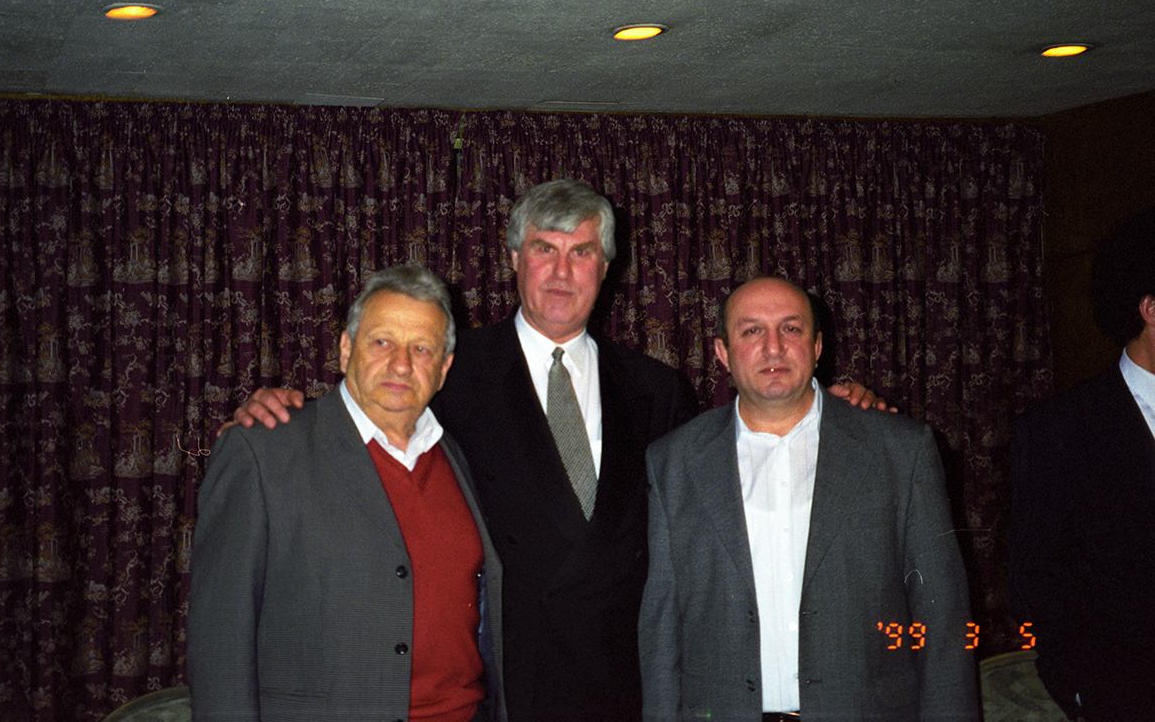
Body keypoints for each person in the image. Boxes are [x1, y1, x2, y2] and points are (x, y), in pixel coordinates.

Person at [231, 180, 886, 722]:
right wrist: (286, 408)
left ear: (607, 267)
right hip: (505, 683)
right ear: (514, 258)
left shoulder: (656, 388)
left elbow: (712, 493)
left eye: (582, 252)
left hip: (624, 683)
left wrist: (831, 410)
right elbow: (371, 410)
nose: (563, 271)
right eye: (545, 248)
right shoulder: (451, 371)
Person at [639, 277, 978, 721]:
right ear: (722, 352)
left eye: (791, 328)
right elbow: (661, 630)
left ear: (817, 346)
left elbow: (944, 621)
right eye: (752, 330)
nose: (773, 347)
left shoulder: (899, 450)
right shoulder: (674, 461)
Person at [187, 265, 505, 722]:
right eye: (382, 342)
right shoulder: (263, 451)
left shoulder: (460, 453)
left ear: (443, 368)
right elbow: (219, 650)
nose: (401, 364)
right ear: (345, 349)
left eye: (421, 348)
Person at [1009, 204, 1155, 721]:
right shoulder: (1060, 429)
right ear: (1150, 308)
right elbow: (1035, 577)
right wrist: (1081, 689)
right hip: (1127, 696)